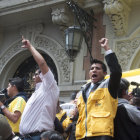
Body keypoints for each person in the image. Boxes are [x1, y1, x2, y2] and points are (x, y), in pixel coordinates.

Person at [76, 38, 122, 140]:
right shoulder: (83, 90)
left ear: (105, 73)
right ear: (89, 73)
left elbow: (116, 72)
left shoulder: (109, 86)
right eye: (92, 69)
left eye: (98, 68)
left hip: (101, 135)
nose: (94, 70)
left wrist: (107, 48)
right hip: (82, 135)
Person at [19, 36, 59, 140]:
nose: (33, 76)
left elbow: (42, 63)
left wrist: (30, 47)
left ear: (43, 75)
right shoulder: (37, 92)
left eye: (36, 74)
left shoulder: (50, 86)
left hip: (39, 136)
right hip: (26, 137)